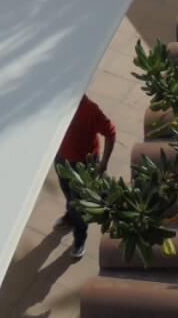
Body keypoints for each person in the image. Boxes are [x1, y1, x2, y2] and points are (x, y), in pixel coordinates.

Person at [54, 95, 116, 259]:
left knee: (79, 206)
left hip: (83, 166)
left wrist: (103, 163)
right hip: (62, 159)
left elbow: (111, 133)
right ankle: (69, 217)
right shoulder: (59, 102)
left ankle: (79, 240)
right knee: (68, 193)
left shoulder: (90, 110)